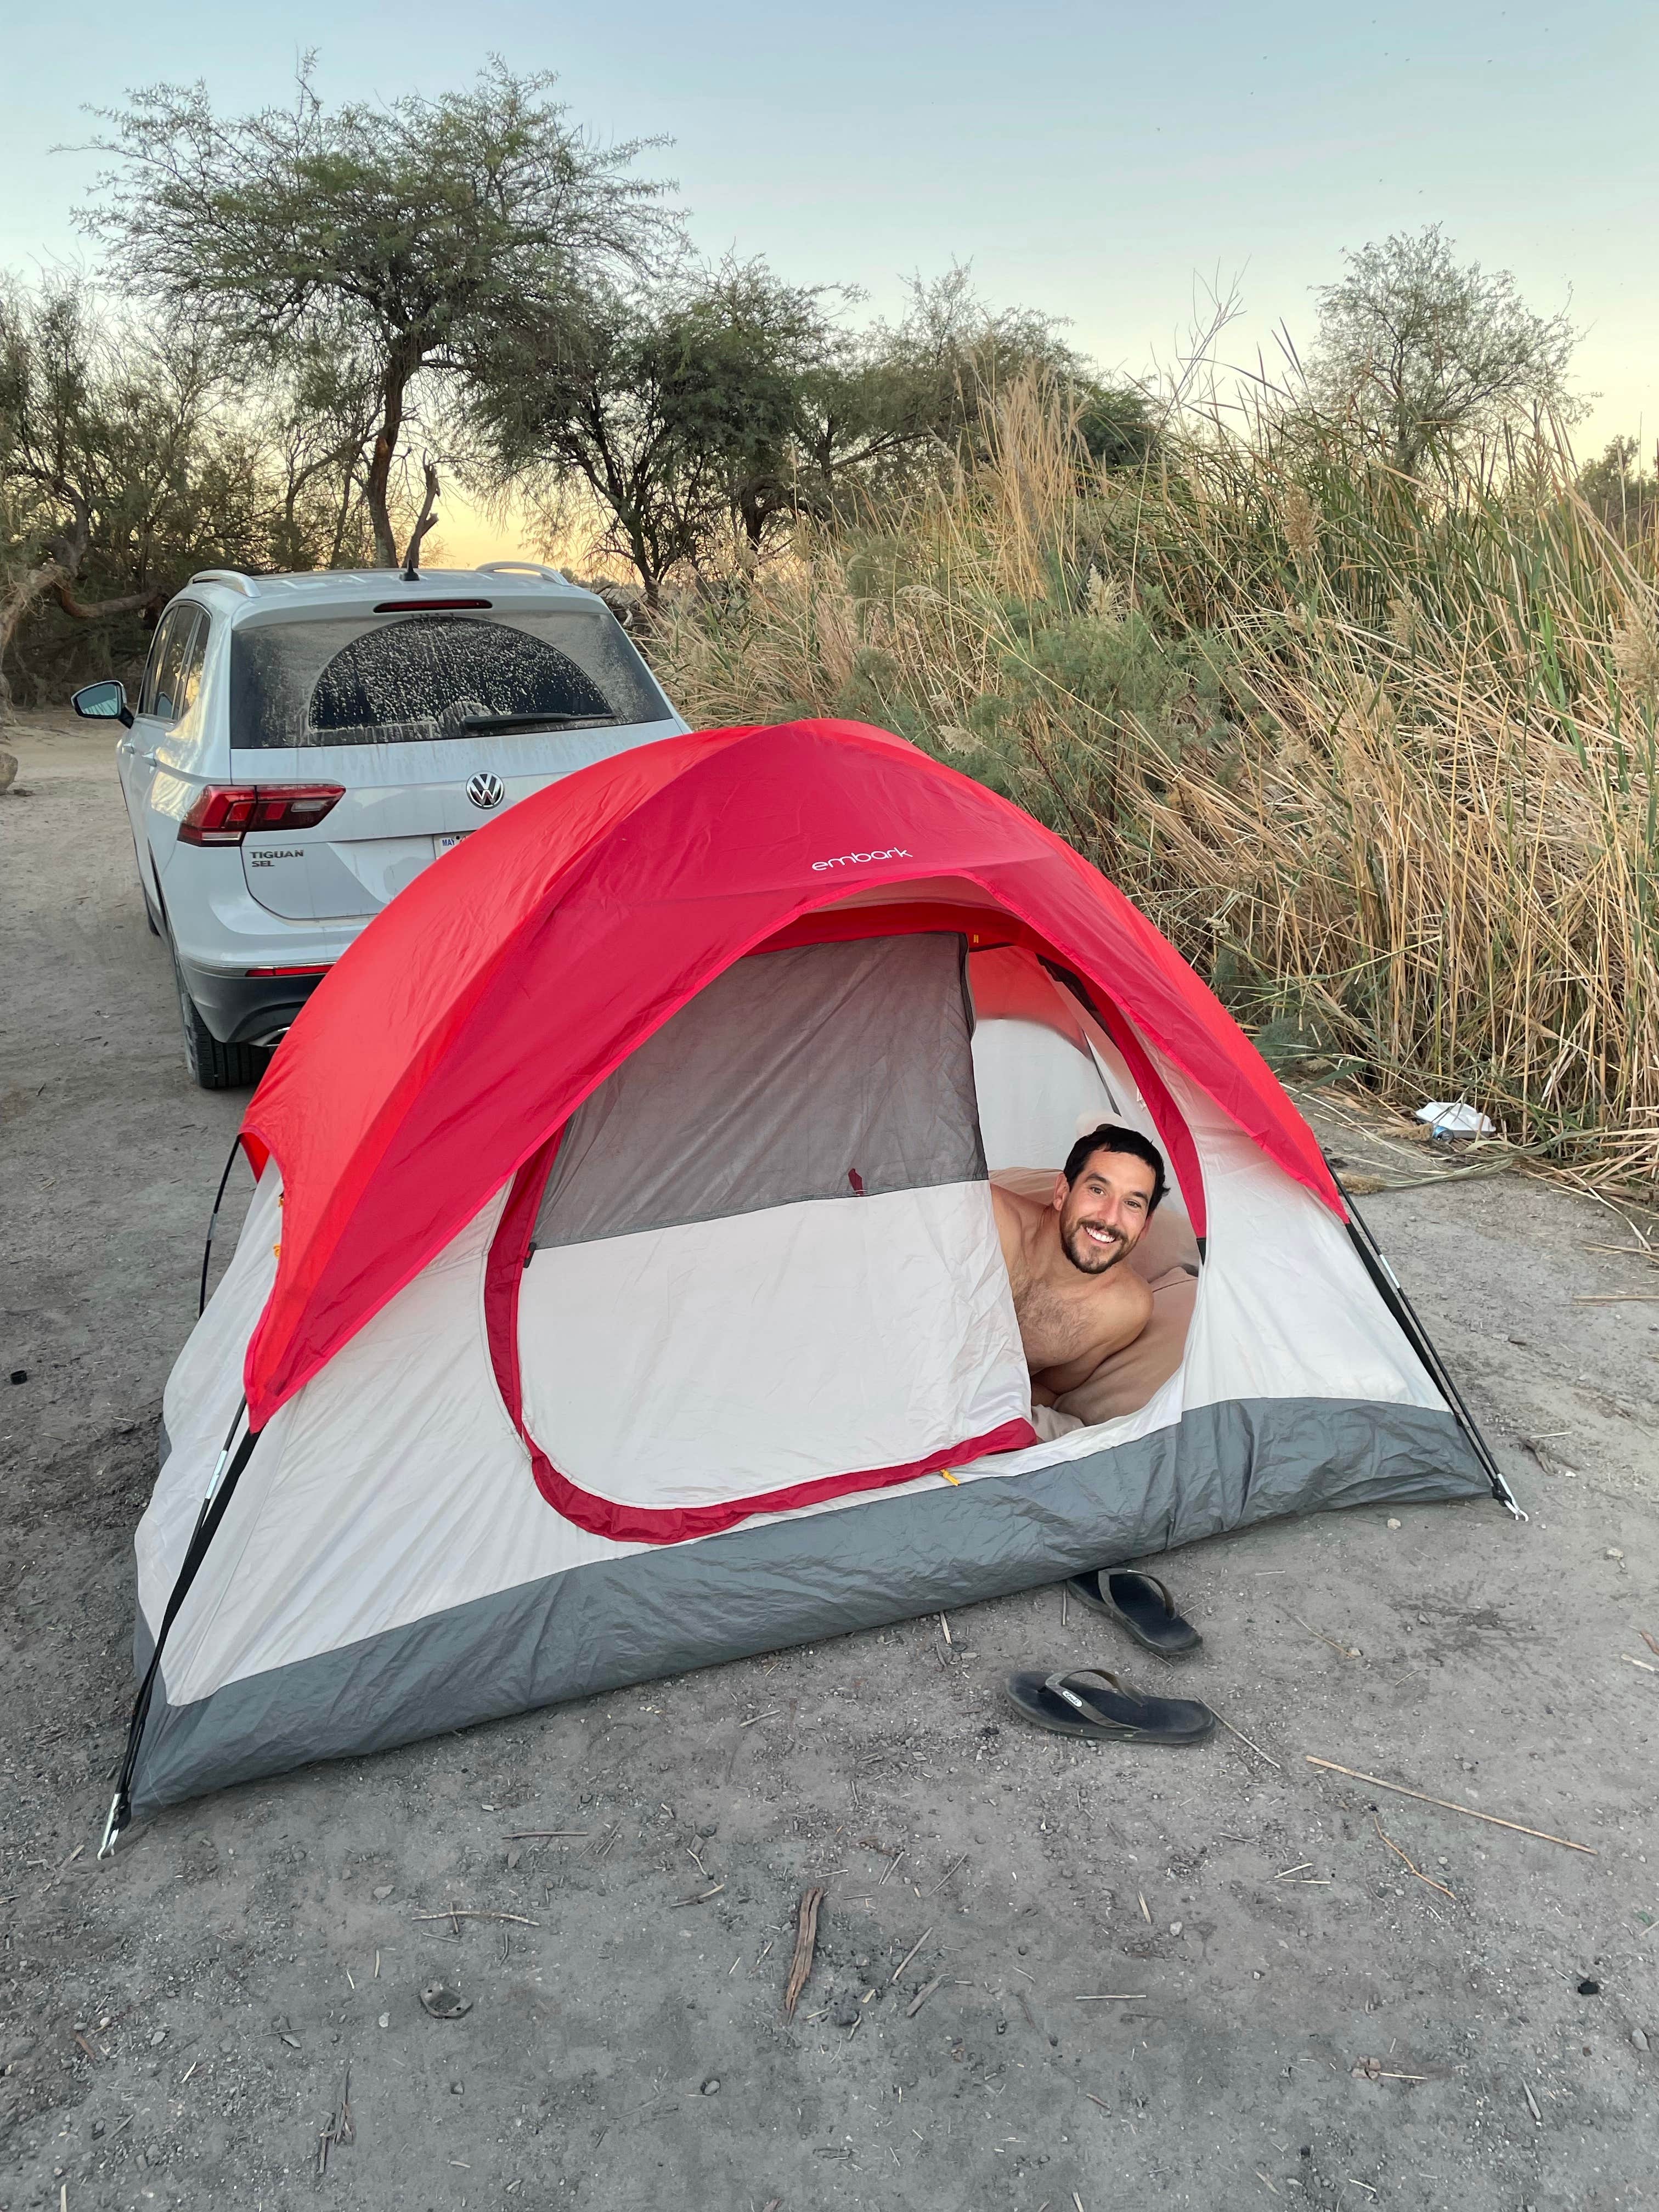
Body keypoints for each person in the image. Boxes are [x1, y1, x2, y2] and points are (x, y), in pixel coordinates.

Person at [990, 1122, 1165, 1406]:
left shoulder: (1126, 1309)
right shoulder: (989, 1220)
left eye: (1132, 1203)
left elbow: (1046, 1391)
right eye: (1097, 1190)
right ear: (1062, 1192)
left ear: (1145, 1226)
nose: (1110, 1218)